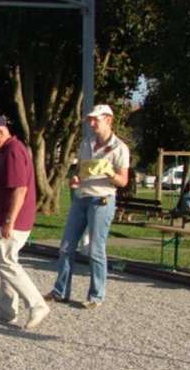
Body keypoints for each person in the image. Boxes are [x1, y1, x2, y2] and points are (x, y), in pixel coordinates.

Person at [45, 104, 129, 310]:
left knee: (95, 249)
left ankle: (96, 295)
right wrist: (76, 180)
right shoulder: (86, 143)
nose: (91, 123)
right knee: (66, 247)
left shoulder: (120, 148)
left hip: (102, 200)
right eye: (90, 120)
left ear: (108, 120)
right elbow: (82, 171)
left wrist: (110, 173)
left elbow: (123, 181)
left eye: (95, 120)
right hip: (81, 197)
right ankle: (61, 291)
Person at [0, 114, 49, 331]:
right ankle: (7, 310)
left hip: (14, 219)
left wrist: (10, 220)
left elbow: (20, 190)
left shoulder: (13, 151)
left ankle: (38, 305)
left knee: (5, 262)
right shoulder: (7, 151)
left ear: (1, 132)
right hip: (5, 217)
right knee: (6, 261)